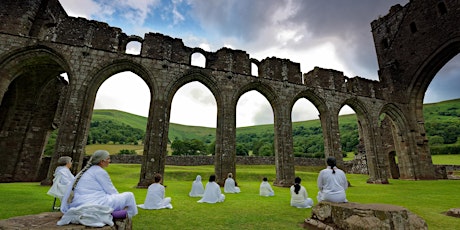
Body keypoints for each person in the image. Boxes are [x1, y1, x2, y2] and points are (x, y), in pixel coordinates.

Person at [60, 150, 138, 219]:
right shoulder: (100, 171)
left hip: (77, 202)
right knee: (129, 196)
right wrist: (118, 199)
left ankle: (115, 213)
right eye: (108, 159)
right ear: (101, 161)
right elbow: (111, 190)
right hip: (94, 202)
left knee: (115, 198)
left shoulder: (85, 171)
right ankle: (125, 215)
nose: (109, 161)